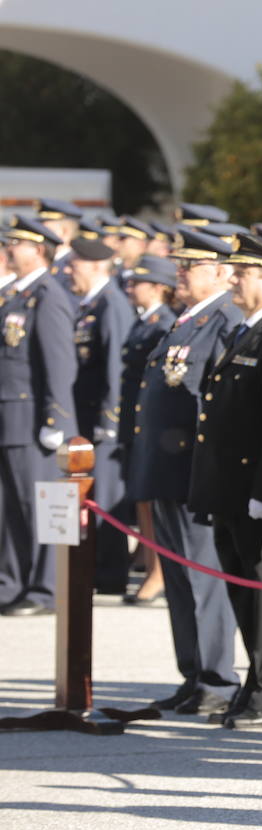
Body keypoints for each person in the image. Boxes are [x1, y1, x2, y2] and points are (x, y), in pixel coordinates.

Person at [185, 233, 262, 730]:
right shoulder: (246, 332)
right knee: (243, 591)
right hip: (230, 491)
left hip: (255, 491)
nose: (232, 278)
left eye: (243, 271)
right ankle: (256, 683)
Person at [126, 228, 242, 714]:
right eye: (180, 264)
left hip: (195, 472)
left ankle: (217, 680)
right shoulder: (184, 321)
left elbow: (221, 406)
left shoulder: (224, 321)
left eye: (190, 266)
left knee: (203, 579)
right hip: (168, 471)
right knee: (177, 578)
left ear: (220, 272)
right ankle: (193, 674)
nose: (180, 272)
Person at [0, 216, 78, 618]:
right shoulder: (15, 294)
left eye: (18, 243)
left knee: (40, 506)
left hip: (34, 421)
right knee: (12, 506)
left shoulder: (47, 295)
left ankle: (44, 587)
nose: (10, 248)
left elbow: (59, 364)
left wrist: (58, 419)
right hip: (11, 418)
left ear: (39, 250)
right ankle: (13, 581)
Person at [68, 237, 136, 595]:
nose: (68, 269)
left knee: (107, 497)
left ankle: (111, 574)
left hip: (102, 422)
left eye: (75, 263)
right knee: (93, 498)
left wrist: (109, 422)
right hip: (87, 418)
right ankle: (98, 569)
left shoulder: (111, 303)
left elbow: (115, 369)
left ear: (96, 266)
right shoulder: (91, 303)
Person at [118, 255, 177, 605]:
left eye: (137, 282)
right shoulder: (144, 322)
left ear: (157, 287)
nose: (130, 287)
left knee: (151, 499)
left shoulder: (163, 323)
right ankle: (148, 558)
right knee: (141, 494)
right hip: (136, 417)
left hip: (155, 424)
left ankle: (158, 571)